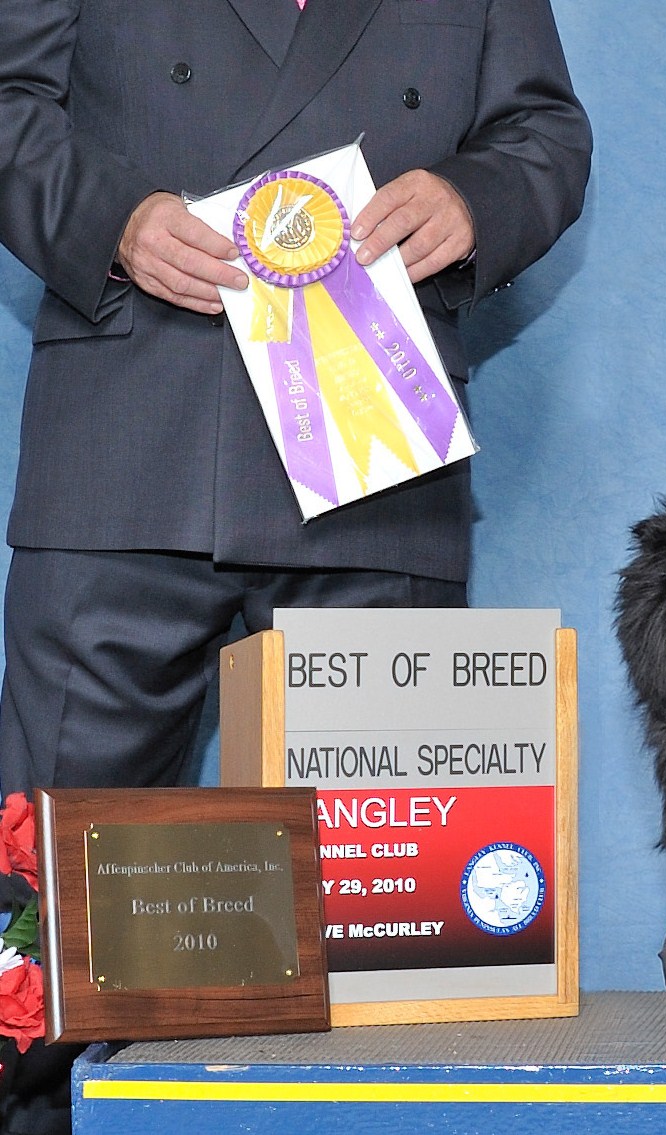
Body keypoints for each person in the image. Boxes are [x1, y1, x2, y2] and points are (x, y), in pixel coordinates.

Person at [0, 2, 590, 1130]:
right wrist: (110, 216)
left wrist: (476, 199)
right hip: (125, 452)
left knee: (395, 932)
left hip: (375, 451)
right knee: (43, 923)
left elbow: (545, 132)